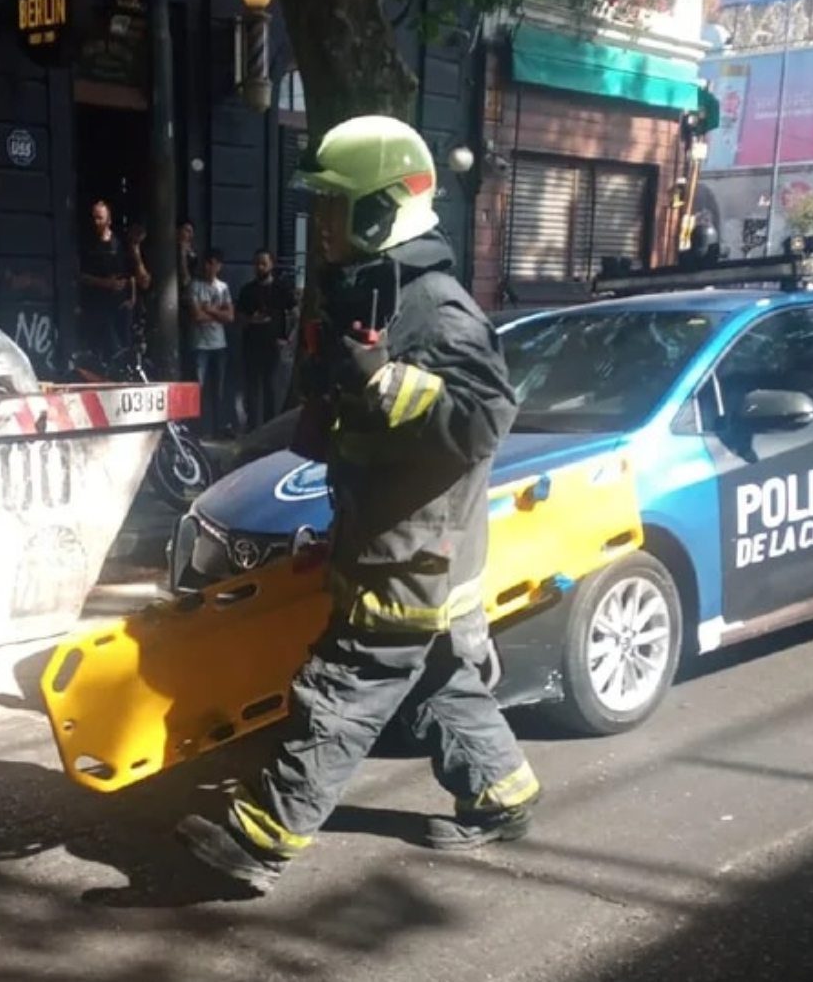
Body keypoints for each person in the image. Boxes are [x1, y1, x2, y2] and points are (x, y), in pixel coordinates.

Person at [174, 115, 540, 896]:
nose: (322, 225)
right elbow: (348, 419)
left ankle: (262, 838)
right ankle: (505, 791)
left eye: (335, 209)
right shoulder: (380, 294)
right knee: (439, 680)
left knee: (340, 689)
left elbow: (482, 421)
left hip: (413, 554)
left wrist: (379, 379)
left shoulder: (436, 308)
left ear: (380, 210)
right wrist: (250, 450)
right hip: (397, 542)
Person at [79, 200, 149, 363]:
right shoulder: (87, 244)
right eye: (94, 218)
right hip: (97, 308)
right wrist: (104, 283)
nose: (96, 222)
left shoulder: (121, 245)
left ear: (109, 220)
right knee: (106, 350)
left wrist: (131, 298)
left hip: (120, 308)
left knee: (124, 349)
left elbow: (135, 276)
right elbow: (79, 275)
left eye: (100, 218)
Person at [236, 248, 296, 431]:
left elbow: (295, 312)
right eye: (257, 264)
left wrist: (288, 338)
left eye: (263, 263)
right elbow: (238, 317)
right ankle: (253, 426)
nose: (260, 267)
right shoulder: (247, 290)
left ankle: (270, 425)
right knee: (252, 387)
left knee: (271, 386)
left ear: (272, 265)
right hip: (252, 344)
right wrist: (251, 320)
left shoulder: (281, 288)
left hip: (273, 344)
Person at [189, 247, 233, 437]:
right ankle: (199, 429)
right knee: (199, 388)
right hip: (200, 345)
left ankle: (217, 428)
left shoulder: (223, 288)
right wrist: (217, 312)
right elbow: (197, 316)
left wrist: (209, 309)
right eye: (207, 263)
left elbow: (230, 317)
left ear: (219, 266)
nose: (209, 267)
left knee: (219, 389)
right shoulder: (195, 286)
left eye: (213, 263)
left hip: (219, 344)